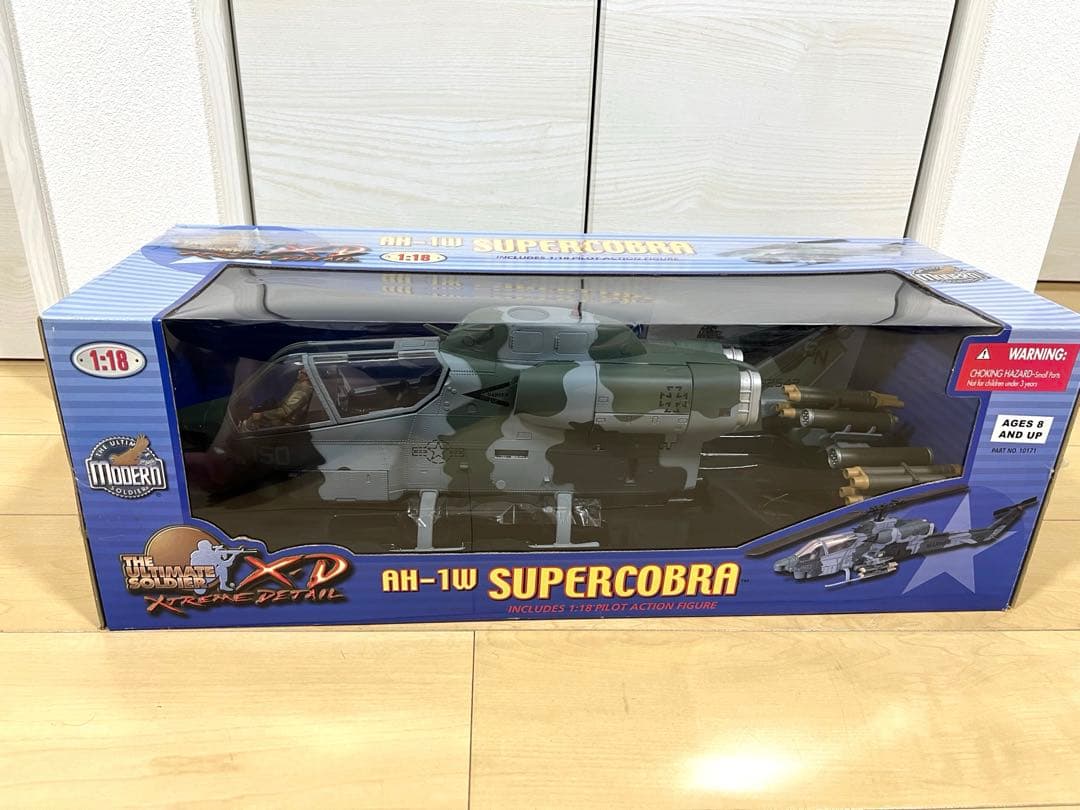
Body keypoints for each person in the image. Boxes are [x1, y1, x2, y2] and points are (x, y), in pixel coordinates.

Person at [241, 367, 314, 431]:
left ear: (307, 377)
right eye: (300, 370)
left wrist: (262, 414)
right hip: (283, 419)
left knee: (251, 423)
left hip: (285, 422)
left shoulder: (302, 391)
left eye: (301, 372)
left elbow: (284, 412)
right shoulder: (299, 385)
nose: (299, 372)